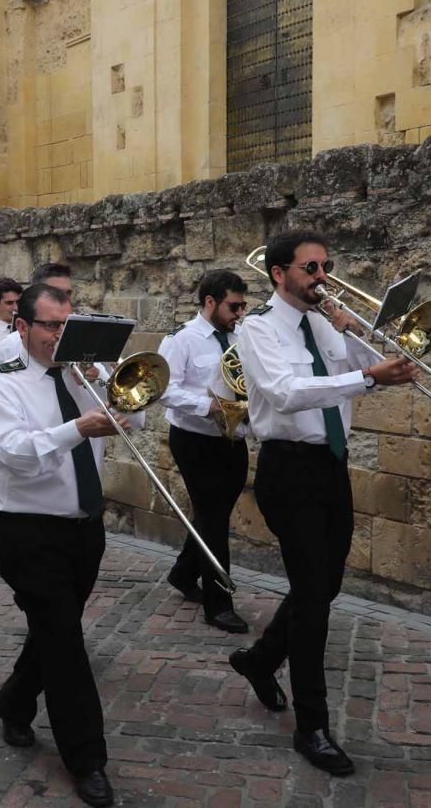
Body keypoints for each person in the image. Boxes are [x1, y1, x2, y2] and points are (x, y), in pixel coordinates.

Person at [230, 229, 418, 777]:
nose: (322, 276)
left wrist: (359, 336)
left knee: (325, 585)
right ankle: (312, 726)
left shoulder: (325, 322)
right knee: (313, 601)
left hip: (331, 466)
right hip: (289, 469)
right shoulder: (257, 329)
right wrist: (364, 376)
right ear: (278, 273)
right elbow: (286, 391)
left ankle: (259, 661)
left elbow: (377, 372)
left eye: (325, 266)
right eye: (310, 268)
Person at [0, 283, 144, 808]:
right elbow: (13, 454)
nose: (59, 335)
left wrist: (106, 386)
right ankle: (87, 758)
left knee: (56, 630)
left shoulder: (81, 374)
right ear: (22, 327)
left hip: (83, 527)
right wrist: (76, 428)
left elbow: (134, 421)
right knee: (67, 645)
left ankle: (13, 701)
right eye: (50, 325)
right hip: (28, 531)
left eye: (66, 325)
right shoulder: (0, 384)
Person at [157, 270, 250, 633]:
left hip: (233, 437)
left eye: (243, 305)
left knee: (217, 511)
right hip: (195, 440)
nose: (240, 313)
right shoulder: (181, 340)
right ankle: (219, 603)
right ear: (210, 301)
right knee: (213, 518)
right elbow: (164, 389)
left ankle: (183, 572)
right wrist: (207, 406)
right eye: (233, 305)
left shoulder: (241, 335)